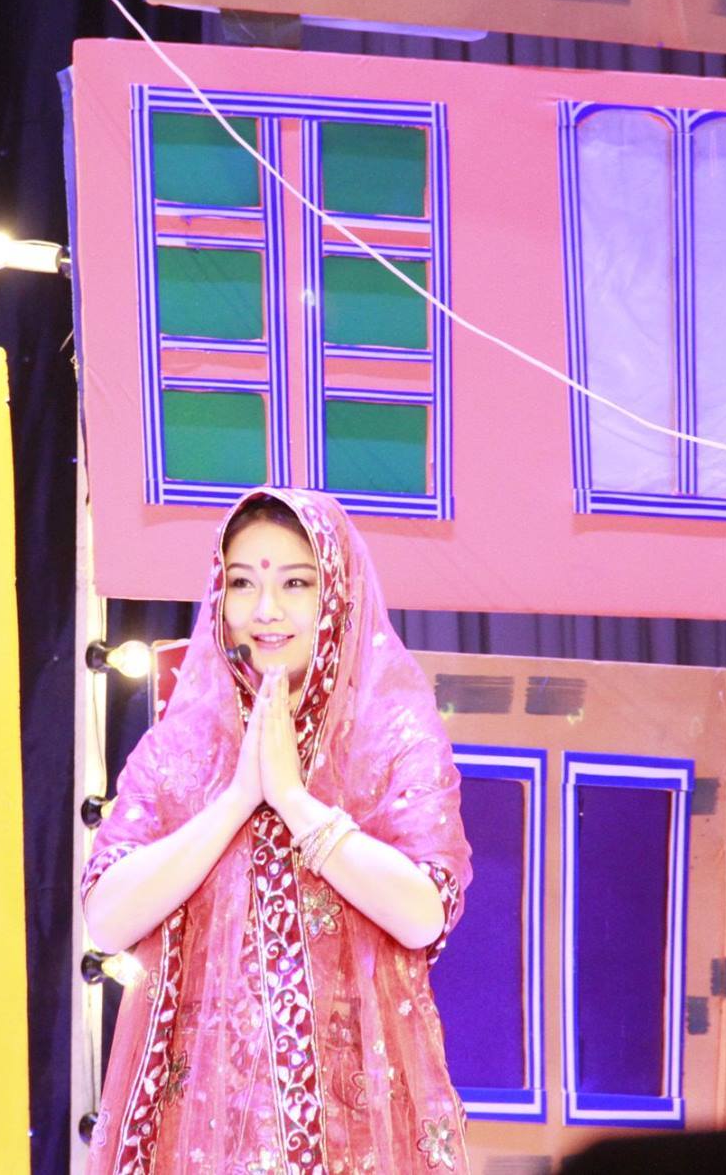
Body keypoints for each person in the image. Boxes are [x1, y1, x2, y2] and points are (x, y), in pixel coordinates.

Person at [82, 488, 472, 1174]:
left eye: (295, 583)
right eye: (242, 583)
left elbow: (422, 914)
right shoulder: (181, 746)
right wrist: (238, 797)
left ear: (338, 595)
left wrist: (294, 800)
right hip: (198, 1130)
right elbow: (108, 918)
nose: (265, 609)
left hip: (358, 1133)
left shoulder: (391, 737)